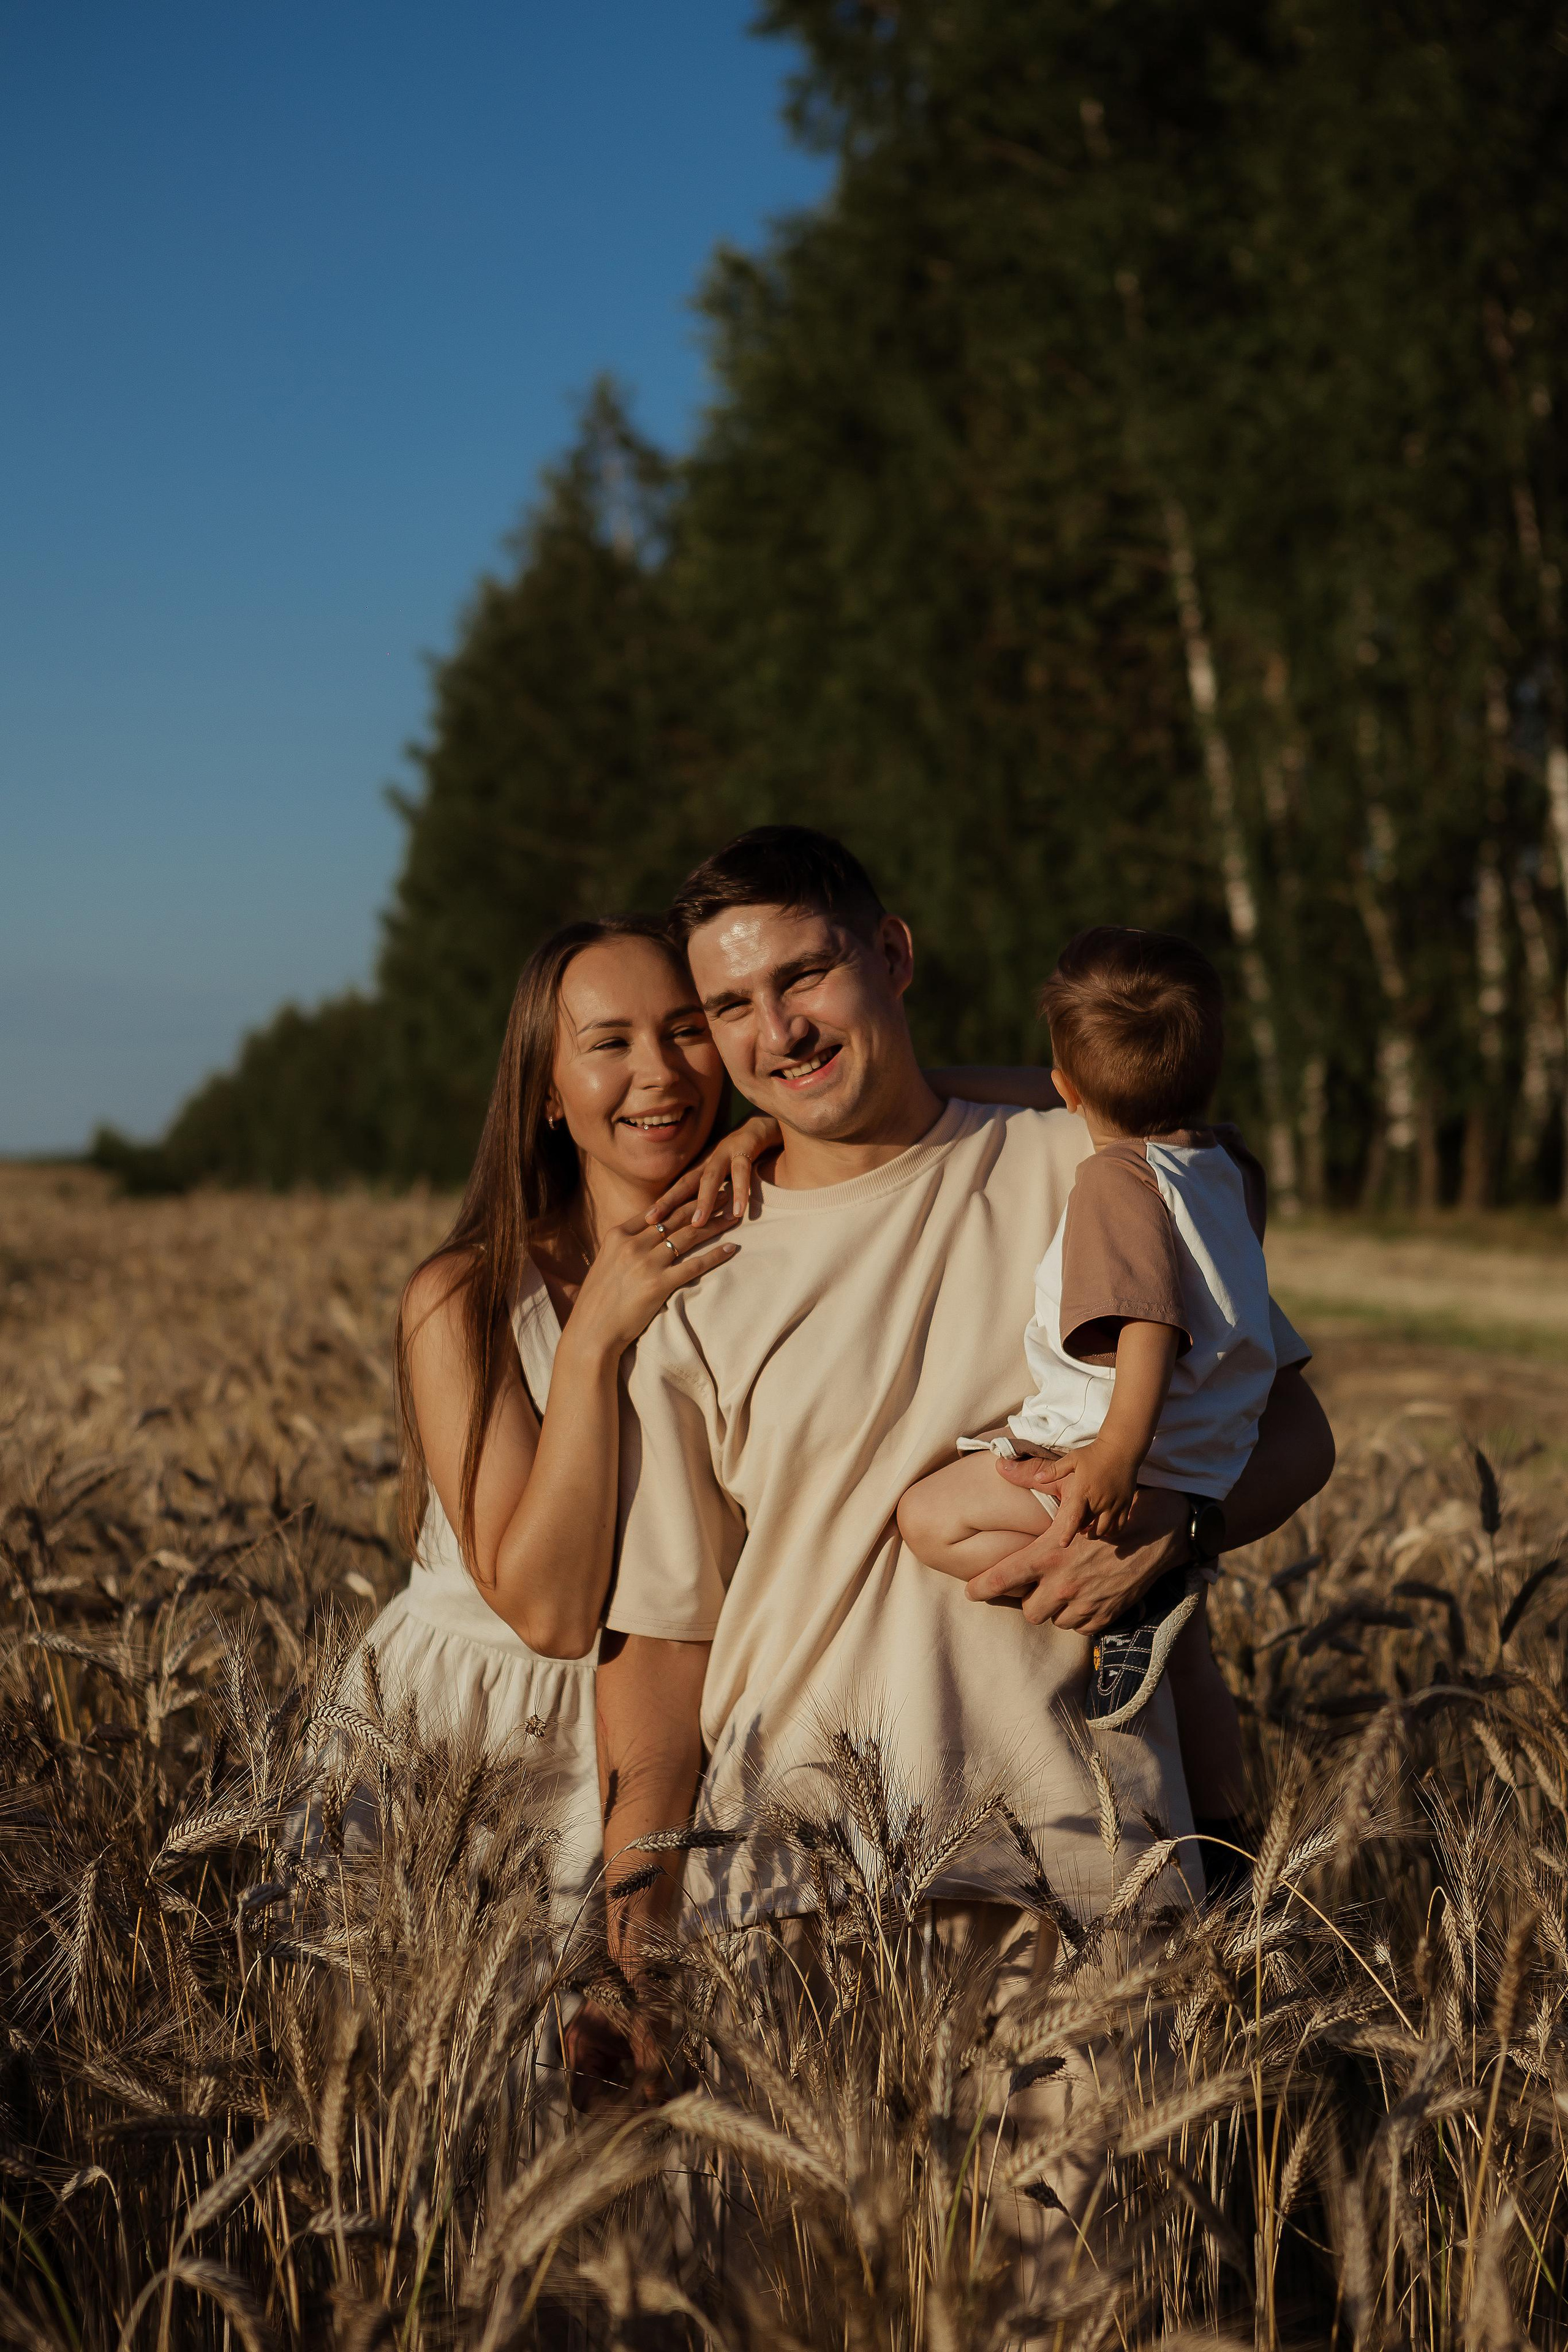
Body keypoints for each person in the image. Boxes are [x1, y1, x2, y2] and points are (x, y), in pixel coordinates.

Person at [594, 828, 1333, 2014]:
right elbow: (662, 1648)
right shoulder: (698, 1272)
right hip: (794, 1893)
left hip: (1093, 1877)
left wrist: (1178, 1527)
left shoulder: (1090, 1171)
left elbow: (1295, 1433)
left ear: (891, 953)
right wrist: (626, 1961)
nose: (772, 1031)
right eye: (728, 1004)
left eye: (801, 976)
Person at [349, 916, 763, 1917]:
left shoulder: (770, 1244)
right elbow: (552, 1613)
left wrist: (770, 1126)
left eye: (686, 1030)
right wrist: (590, 1344)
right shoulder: (466, 1298)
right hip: (471, 1746)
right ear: (545, 1092)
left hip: (688, 1730)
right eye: (610, 1044)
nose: (660, 1073)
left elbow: (1002, 1101)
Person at [897, 925, 1275, 1869]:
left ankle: (1125, 1596)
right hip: (1213, 1448)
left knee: (926, 1516)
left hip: (1117, 1447)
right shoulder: (1230, 1166)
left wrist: (1112, 1456)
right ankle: (1233, 1846)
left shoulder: (1115, 1179)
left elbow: (1148, 1325)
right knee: (1198, 1671)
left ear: (1065, 1092)